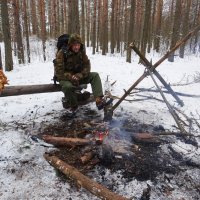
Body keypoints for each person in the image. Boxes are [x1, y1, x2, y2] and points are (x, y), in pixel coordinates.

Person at [54, 33, 111, 112]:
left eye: (78, 45)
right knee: (68, 87)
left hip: (78, 76)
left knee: (95, 75)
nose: (77, 47)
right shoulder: (62, 53)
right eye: (74, 45)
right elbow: (59, 72)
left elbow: (87, 66)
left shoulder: (81, 52)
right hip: (65, 78)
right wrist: (70, 77)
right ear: (70, 45)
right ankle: (74, 105)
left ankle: (99, 101)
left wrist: (80, 75)